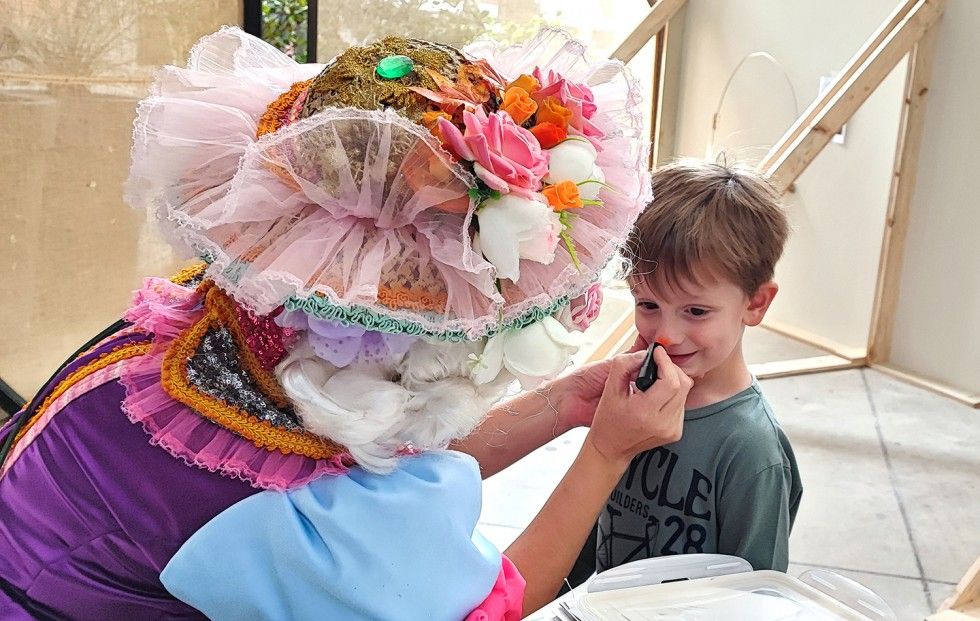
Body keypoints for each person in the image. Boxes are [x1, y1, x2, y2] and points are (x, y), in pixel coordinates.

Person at [0, 27, 690, 620]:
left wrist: (563, 405)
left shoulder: (229, 316)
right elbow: (483, 605)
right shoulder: (291, 511)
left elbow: (375, 453)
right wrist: (606, 454)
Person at [567, 159, 804, 587]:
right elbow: (585, 520)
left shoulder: (751, 449)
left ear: (756, 303)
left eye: (695, 311)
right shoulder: (633, 396)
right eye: (648, 305)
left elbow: (757, 595)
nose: (666, 335)